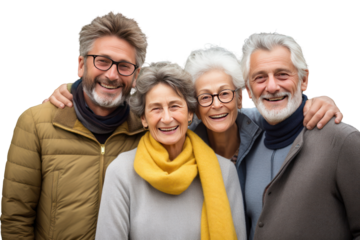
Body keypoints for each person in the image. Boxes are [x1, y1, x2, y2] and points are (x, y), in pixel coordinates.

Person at [1, 9, 150, 239]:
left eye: (124, 66)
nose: (112, 75)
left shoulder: (147, 130)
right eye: (102, 61)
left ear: (136, 75)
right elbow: (16, 218)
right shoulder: (35, 123)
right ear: (81, 64)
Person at [94, 60, 246, 240]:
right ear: (144, 118)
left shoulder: (224, 171)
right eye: (156, 108)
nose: (166, 118)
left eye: (174, 106)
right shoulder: (121, 172)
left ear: (190, 113)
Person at [239, 30, 360, 240]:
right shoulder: (247, 142)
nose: (272, 86)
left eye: (282, 74)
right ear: (248, 91)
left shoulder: (342, 141)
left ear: (304, 80)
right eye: (260, 78)